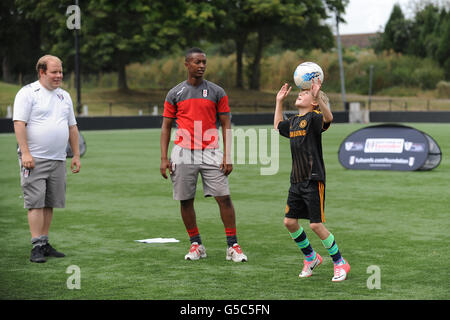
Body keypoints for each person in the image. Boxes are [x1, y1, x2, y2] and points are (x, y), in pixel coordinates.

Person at [160, 47, 247, 262]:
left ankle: (232, 246)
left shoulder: (217, 92)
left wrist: (227, 156)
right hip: (182, 153)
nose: (201, 66)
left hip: (211, 152)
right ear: (187, 64)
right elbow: (166, 127)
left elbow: (226, 124)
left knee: (224, 198)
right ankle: (196, 245)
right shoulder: (175, 93)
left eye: (204, 62)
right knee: (185, 200)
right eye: (197, 62)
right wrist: (164, 158)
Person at [273, 79, 350, 282]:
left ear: (314, 102)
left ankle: (340, 262)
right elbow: (278, 126)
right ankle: (311, 257)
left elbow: (329, 117)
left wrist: (318, 97)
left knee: (316, 225)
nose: (300, 94)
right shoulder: (294, 121)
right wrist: (279, 102)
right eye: (301, 92)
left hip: (313, 179)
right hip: (296, 181)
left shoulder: (315, 118)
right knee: (289, 222)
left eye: (305, 93)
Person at [13, 55, 81, 263]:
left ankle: (44, 242)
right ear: (42, 72)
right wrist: (25, 153)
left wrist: (76, 154)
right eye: (54, 72)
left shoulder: (64, 96)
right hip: (34, 159)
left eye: (61, 71)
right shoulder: (27, 93)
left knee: (50, 202)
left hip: (58, 159)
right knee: (35, 203)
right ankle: (36, 246)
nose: (59, 75)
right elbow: (19, 123)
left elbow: (72, 127)